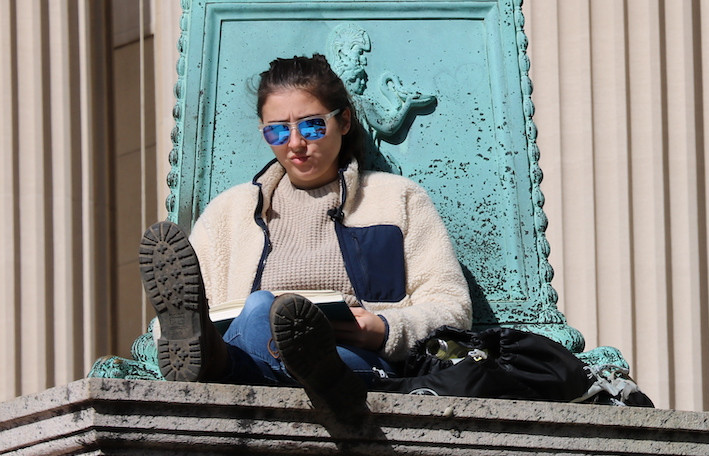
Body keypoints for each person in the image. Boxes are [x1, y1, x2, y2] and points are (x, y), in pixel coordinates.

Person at [140, 54, 471, 410]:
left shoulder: (397, 199)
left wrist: (383, 328)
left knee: (271, 324)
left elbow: (452, 308)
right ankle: (231, 359)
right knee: (259, 309)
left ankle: (225, 365)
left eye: (312, 126)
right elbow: (176, 326)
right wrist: (185, 334)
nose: (295, 143)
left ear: (343, 121)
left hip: (357, 362)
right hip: (252, 345)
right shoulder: (230, 212)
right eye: (278, 130)